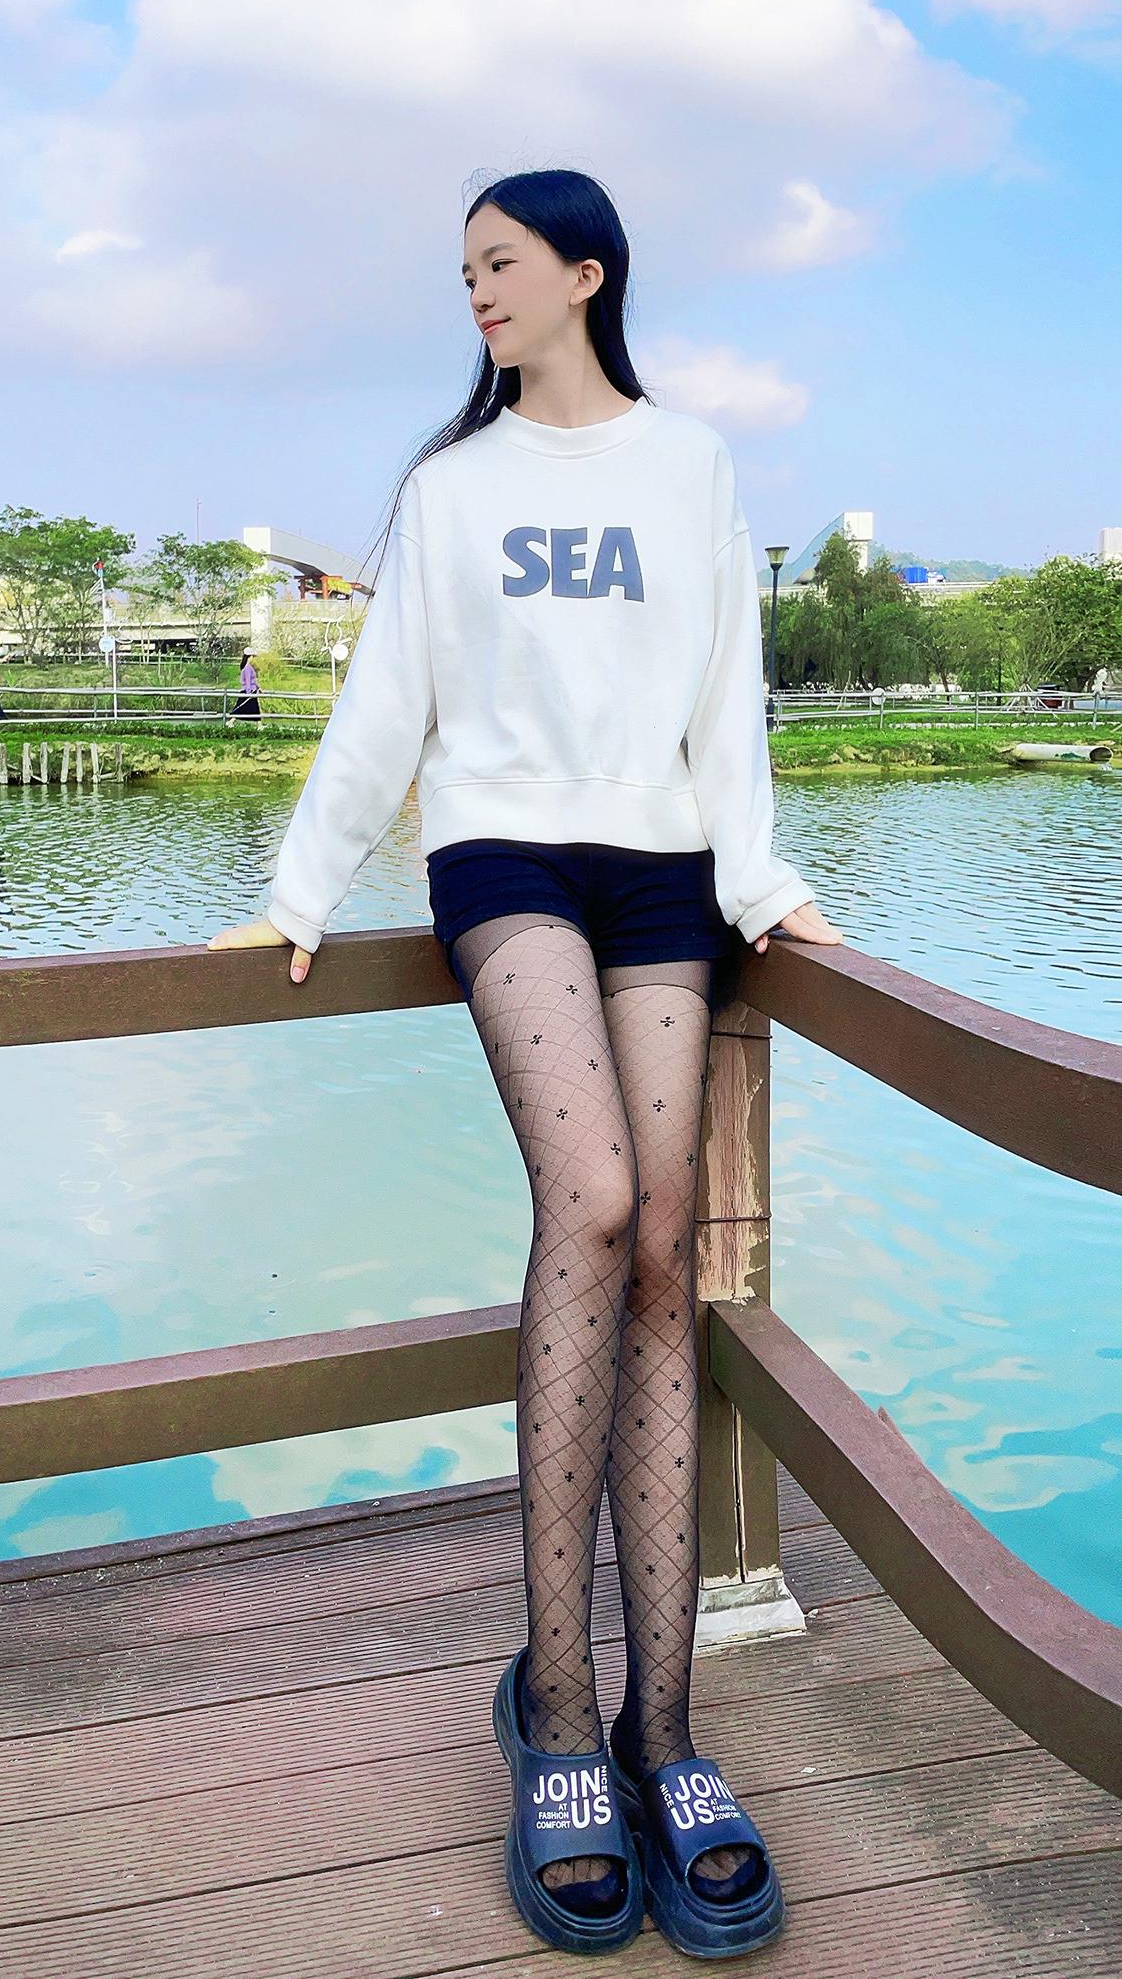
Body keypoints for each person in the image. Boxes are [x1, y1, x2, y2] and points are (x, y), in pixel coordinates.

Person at [210, 168, 843, 1959]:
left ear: (586, 272)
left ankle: (667, 1732)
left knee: (666, 1241)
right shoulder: (455, 487)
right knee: (596, 1195)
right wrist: (299, 891)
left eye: (501, 265)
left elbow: (726, 699)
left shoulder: (691, 464)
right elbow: (387, 699)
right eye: (464, 271)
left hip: (661, 863)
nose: (477, 291)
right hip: (502, 853)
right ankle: (557, 1715)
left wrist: (763, 883)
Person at [228, 649, 261, 723]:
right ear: (249, 657)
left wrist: (258, 687)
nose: (253, 658)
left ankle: (259, 724)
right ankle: (231, 722)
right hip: (249, 691)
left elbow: (252, 680)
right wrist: (249, 693)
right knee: (242, 708)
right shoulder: (247, 668)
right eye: (252, 656)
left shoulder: (248, 667)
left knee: (252, 708)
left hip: (251, 690)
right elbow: (248, 681)